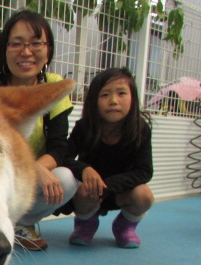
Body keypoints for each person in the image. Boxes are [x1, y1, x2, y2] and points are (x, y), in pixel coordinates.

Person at [0, 9, 77, 251]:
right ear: (4, 49)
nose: (26, 52)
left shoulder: (53, 86)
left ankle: (20, 223)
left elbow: (60, 146)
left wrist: (37, 168)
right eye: (17, 44)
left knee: (66, 180)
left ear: (48, 48)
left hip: (28, 177)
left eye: (35, 43)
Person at [61, 67, 154, 248]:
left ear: (133, 98)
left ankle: (125, 226)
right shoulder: (85, 127)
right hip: (90, 193)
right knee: (82, 191)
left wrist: (108, 186)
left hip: (120, 191)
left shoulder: (141, 129)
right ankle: (86, 223)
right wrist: (84, 170)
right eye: (104, 95)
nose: (113, 101)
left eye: (121, 93)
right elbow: (64, 157)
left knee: (144, 195)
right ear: (94, 100)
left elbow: (145, 171)